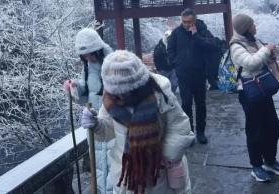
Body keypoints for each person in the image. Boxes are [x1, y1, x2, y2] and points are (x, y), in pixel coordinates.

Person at [80, 50, 194, 194]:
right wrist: (96, 125)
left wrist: (163, 155)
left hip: (158, 173)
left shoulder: (159, 93)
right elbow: (107, 131)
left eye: (124, 90)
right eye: (116, 91)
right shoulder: (111, 98)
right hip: (126, 174)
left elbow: (181, 128)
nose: (120, 96)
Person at [229, 13, 279, 183]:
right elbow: (250, 63)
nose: (255, 27)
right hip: (249, 93)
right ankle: (256, 166)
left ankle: (270, 161)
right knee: (255, 130)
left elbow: (263, 62)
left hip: (262, 89)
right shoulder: (236, 45)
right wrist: (265, 49)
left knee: (273, 126)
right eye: (252, 24)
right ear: (245, 27)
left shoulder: (253, 40)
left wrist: (271, 55)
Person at [64, 28, 114, 194]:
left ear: (98, 49)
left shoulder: (113, 64)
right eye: (84, 56)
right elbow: (86, 97)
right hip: (93, 123)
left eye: (91, 54)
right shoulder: (87, 67)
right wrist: (75, 88)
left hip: (112, 123)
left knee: (114, 164)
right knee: (99, 165)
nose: (88, 58)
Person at [166, 8, 217, 144]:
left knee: (201, 104)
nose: (186, 24)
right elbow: (170, 49)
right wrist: (176, 62)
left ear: (194, 20)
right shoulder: (176, 33)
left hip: (200, 74)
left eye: (189, 22)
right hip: (184, 75)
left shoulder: (203, 30)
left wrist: (196, 36)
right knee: (186, 103)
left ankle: (201, 131)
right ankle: (189, 132)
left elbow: (212, 45)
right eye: (184, 21)